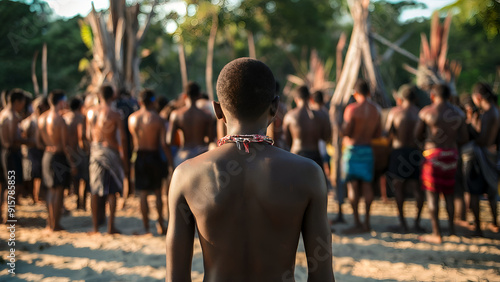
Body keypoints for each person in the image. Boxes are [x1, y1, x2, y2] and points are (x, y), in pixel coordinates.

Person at [166, 58, 334, 281]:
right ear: (274, 107)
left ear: (218, 110)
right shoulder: (308, 173)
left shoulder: (186, 175)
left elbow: (176, 278)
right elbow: (322, 276)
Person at [415, 84, 468, 244]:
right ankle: (451, 230)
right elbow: (464, 138)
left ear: (432, 96)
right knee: (449, 193)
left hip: (432, 155)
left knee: (432, 194)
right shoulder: (459, 114)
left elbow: (417, 136)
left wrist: (427, 146)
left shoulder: (426, 112)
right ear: (450, 97)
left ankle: (436, 233)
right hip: (451, 156)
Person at [128, 89, 173, 235]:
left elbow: (132, 141)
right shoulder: (158, 119)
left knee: (143, 193)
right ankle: (161, 225)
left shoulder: (132, 118)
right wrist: (170, 162)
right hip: (154, 156)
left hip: (139, 155)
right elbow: (164, 144)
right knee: (158, 192)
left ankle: (146, 227)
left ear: (140, 102)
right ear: (153, 101)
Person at [340, 79, 381, 234]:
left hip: (352, 150)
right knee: (367, 185)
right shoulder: (376, 110)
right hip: (367, 150)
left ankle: (357, 222)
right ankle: (367, 222)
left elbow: (347, 131)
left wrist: (340, 130)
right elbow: (378, 133)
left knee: (352, 185)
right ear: (369, 93)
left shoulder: (351, 109)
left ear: (355, 93)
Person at [87, 85, 128, 234]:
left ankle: (95, 227)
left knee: (95, 190)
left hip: (95, 151)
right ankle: (111, 226)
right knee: (112, 190)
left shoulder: (90, 112)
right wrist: (123, 153)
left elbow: (87, 135)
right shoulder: (115, 114)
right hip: (110, 152)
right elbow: (122, 137)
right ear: (112, 96)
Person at [385, 84, 424, 233]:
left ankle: (403, 223)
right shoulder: (420, 113)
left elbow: (387, 133)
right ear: (415, 98)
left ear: (401, 98)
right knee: (416, 188)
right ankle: (417, 222)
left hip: (398, 152)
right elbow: (423, 135)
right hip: (414, 152)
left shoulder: (395, 113)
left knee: (398, 187)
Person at [463, 82, 499, 236]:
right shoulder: (494, 111)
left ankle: (478, 227)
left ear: (478, 97)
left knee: (474, 191)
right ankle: (494, 222)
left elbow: (482, 139)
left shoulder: (489, 113)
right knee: (490, 192)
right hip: (491, 156)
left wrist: (470, 126)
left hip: (480, 157)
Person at [37, 90, 74, 231]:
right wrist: (71, 162)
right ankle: (56, 223)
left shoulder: (41, 118)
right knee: (58, 191)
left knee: (50, 191)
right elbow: (65, 146)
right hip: (58, 156)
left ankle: (49, 222)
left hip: (46, 155)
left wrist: (49, 147)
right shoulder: (60, 120)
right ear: (60, 102)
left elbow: (38, 142)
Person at [167, 82, 215, 166]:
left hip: (184, 155)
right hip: (202, 154)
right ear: (199, 95)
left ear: (184, 96)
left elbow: (169, 140)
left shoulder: (176, 115)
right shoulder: (206, 115)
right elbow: (211, 139)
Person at [283, 85, 331, 168]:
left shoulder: (290, 116)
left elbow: (287, 141)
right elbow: (326, 137)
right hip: (315, 157)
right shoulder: (321, 115)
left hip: (297, 155)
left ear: (296, 99)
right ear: (310, 98)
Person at [0, 89, 27, 223]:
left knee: (6, 185)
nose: (23, 105)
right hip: (11, 154)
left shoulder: (3, 114)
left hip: (5, 152)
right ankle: (9, 215)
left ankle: (5, 214)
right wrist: (29, 141)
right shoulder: (11, 117)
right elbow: (12, 140)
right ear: (17, 102)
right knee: (13, 185)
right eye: (22, 102)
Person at [21, 96, 49, 203]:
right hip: (32, 151)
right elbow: (24, 137)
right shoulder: (30, 121)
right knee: (33, 174)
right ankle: (34, 196)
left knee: (38, 174)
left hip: (39, 150)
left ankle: (38, 195)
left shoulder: (41, 119)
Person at [63, 97, 90, 210]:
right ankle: (81, 202)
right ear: (80, 106)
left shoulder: (64, 118)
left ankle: (75, 200)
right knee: (84, 178)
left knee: (73, 178)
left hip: (67, 151)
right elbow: (83, 136)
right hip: (80, 152)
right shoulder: (82, 118)